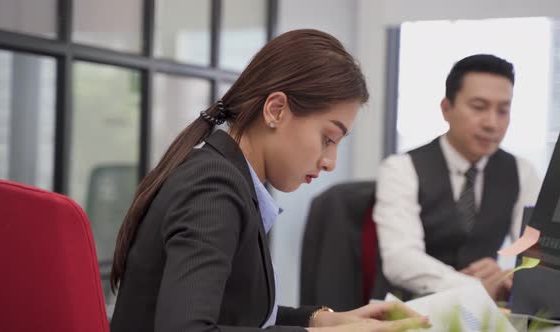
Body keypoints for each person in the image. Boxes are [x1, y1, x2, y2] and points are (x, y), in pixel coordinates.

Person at [109, 29, 430, 332]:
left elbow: (237, 313)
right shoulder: (213, 188)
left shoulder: (223, 176)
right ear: (276, 110)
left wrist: (324, 321)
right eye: (328, 138)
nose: (329, 162)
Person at [374, 54, 541, 301]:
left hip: (483, 316)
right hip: (411, 310)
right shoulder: (401, 168)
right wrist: (473, 288)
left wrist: (510, 277)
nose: (492, 123)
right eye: (479, 107)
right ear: (446, 109)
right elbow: (400, 259)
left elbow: (535, 253)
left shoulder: (521, 171)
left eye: (503, 110)